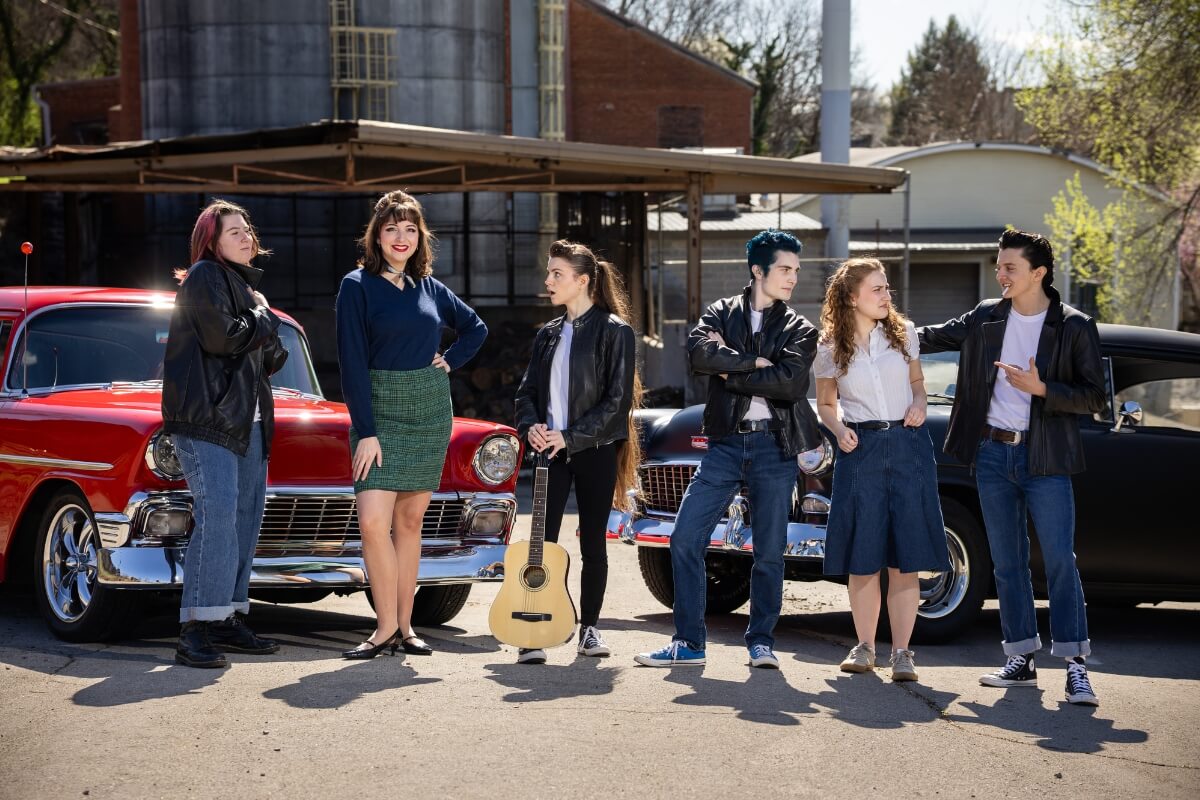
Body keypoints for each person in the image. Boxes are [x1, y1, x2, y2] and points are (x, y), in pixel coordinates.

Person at [919, 229, 1106, 706]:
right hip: (992, 455)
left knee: (1061, 561)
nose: (1000, 274)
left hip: (1046, 459)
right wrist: (874, 324)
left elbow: (1093, 396)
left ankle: (1075, 666)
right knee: (1007, 564)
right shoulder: (986, 317)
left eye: (1010, 268)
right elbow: (932, 336)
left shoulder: (1074, 325)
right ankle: (1021, 657)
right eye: (999, 266)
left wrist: (1042, 389)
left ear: (1038, 273)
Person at [634, 230, 821, 669]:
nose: (793, 277)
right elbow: (699, 356)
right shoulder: (720, 312)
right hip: (722, 444)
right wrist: (753, 363)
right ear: (758, 270)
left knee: (770, 551)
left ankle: (761, 642)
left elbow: (791, 382)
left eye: (796, 269)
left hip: (774, 446)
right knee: (684, 538)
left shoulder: (800, 328)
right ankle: (689, 643)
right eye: (785, 269)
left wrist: (730, 371)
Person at [335, 190, 487, 659]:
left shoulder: (431, 288)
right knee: (373, 523)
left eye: (409, 229)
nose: (401, 238)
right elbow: (351, 364)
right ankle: (382, 627)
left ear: (420, 236)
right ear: (376, 236)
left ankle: (406, 627)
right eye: (391, 229)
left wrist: (449, 361)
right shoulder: (356, 286)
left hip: (427, 410)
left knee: (410, 522)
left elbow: (476, 328)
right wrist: (368, 430)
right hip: (378, 412)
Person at [162, 199, 289, 669]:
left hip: (248, 422)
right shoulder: (204, 277)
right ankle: (194, 628)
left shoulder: (245, 288)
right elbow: (223, 339)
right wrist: (263, 319)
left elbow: (272, 359)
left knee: (243, 521)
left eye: (246, 229)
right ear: (211, 242)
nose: (245, 236)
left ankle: (228, 615)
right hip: (207, 419)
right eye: (232, 231)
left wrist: (263, 321)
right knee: (217, 518)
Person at [814, 259, 951, 682]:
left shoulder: (904, 333)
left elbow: (916, 385)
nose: (886, 295)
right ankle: (865, 647)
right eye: (877, 289)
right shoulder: (829, 346)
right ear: (852, 297)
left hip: (909, 446)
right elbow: (825, 405)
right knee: (864, 557)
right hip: (861, 451)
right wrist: (838, 430)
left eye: (887, 287)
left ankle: (903, 654)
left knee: (904, 558)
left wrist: (920, 404)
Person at [513, 240, 641, 664]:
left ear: (582, 281)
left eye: (557, 274)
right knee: (542, 545)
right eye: (549, 273)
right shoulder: (547, 335)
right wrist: (531, 426)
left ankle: (589, 628)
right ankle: (536, 629)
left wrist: (570, 436)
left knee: (593, 546)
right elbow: (527, 392)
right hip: (548, 453)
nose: (548, 281)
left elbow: (617, 402)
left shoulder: (616, 332)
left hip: (594, 451)